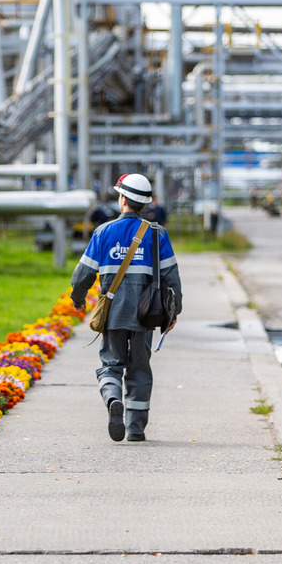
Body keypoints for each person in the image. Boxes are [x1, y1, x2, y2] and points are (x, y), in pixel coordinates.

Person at [70, 173, 183, 443]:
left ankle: (112, 400)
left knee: (111, 364)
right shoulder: (158, 234)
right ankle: (135, 429)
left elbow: (83, 274)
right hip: (147, 315)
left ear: (122, 200)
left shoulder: (103, 232)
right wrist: (173, 311)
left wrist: (78, 297)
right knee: (140, 368)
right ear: (144, 204)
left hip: (113, 313)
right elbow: (172, 277)